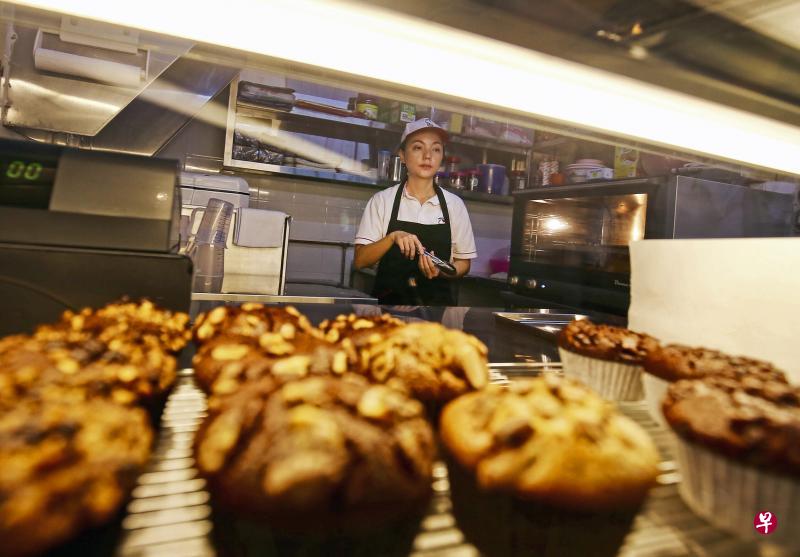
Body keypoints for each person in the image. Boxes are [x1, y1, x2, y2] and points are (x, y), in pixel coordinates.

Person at [353, 119, 477, 305]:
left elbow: (464, 263)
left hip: (437, 317)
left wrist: (442, 269)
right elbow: (360, 260)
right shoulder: (382, 201)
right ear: (402, 155)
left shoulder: (455, 205)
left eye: (436, 149)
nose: (428, 156)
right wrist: (392, 237)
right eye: (418, 148)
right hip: (389, 315)